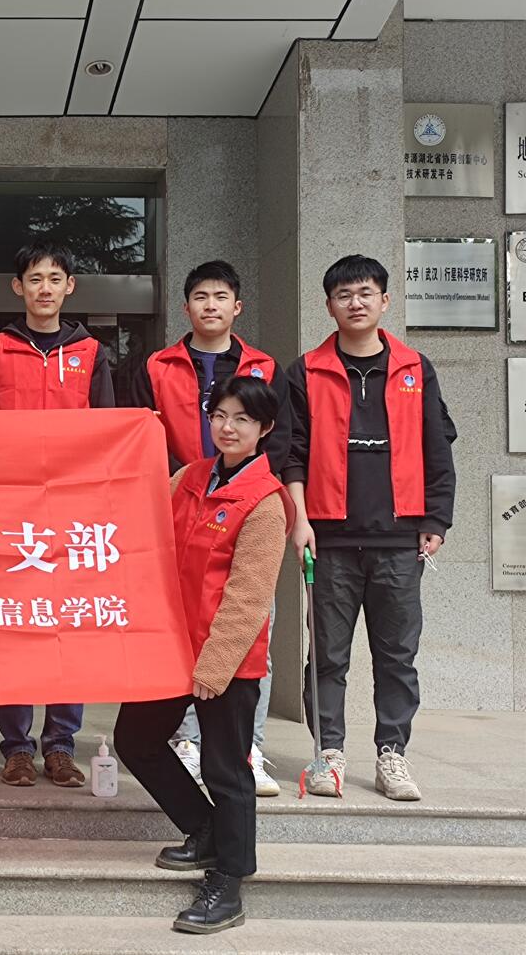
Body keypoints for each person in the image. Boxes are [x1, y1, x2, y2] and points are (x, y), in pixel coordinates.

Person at [115, 375, 290, 935]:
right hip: (169, 648)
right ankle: (206, 829)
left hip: (226, 663)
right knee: (136, 740)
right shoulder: (188, 478)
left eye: (242, 419)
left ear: (264, 429)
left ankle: (229, 883)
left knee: (225, 769)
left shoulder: (265, 501)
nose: (228, 427)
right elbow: (139, 528)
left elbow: (249, 597)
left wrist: (214, 668)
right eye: (220, 415)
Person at [285, 255, 456, 801]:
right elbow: (291, 453)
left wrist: (436, 518)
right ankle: (328, 754)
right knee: (327, 657)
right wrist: (300, 520)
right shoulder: (306, 371)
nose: (355, 303)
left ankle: (392, 755)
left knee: (397, 657)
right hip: (330, 540)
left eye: (365, 293)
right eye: (343, 295)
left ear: (385, 300)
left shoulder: (415, 369)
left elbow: (437, 448)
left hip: (399, 540)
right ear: (328, 305)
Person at [136, 260, 292, 797]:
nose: (210, 305)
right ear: (186, 307)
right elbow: (140, 435)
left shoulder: (264, 367)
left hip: (241, 503)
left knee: (248, 629)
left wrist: (272, 497)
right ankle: (186, 740)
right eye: (200, 296)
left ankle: (250, 746)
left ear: (237, 306)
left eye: (220, 296)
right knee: (183, 625)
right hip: (185, 499)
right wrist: (177, 487)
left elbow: (286, 442)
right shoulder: (158, 365)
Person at [0, 241, 114, 789]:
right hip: (11, 511)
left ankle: (60, 745)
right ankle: (16, 747)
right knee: (12, 627)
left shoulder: (93, 352)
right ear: (18, 287)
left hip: (73, 513)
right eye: (34, 279)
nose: (44, 288)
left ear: (69, 286)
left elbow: (107, 432)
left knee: (67, 627)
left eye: (55, 279)